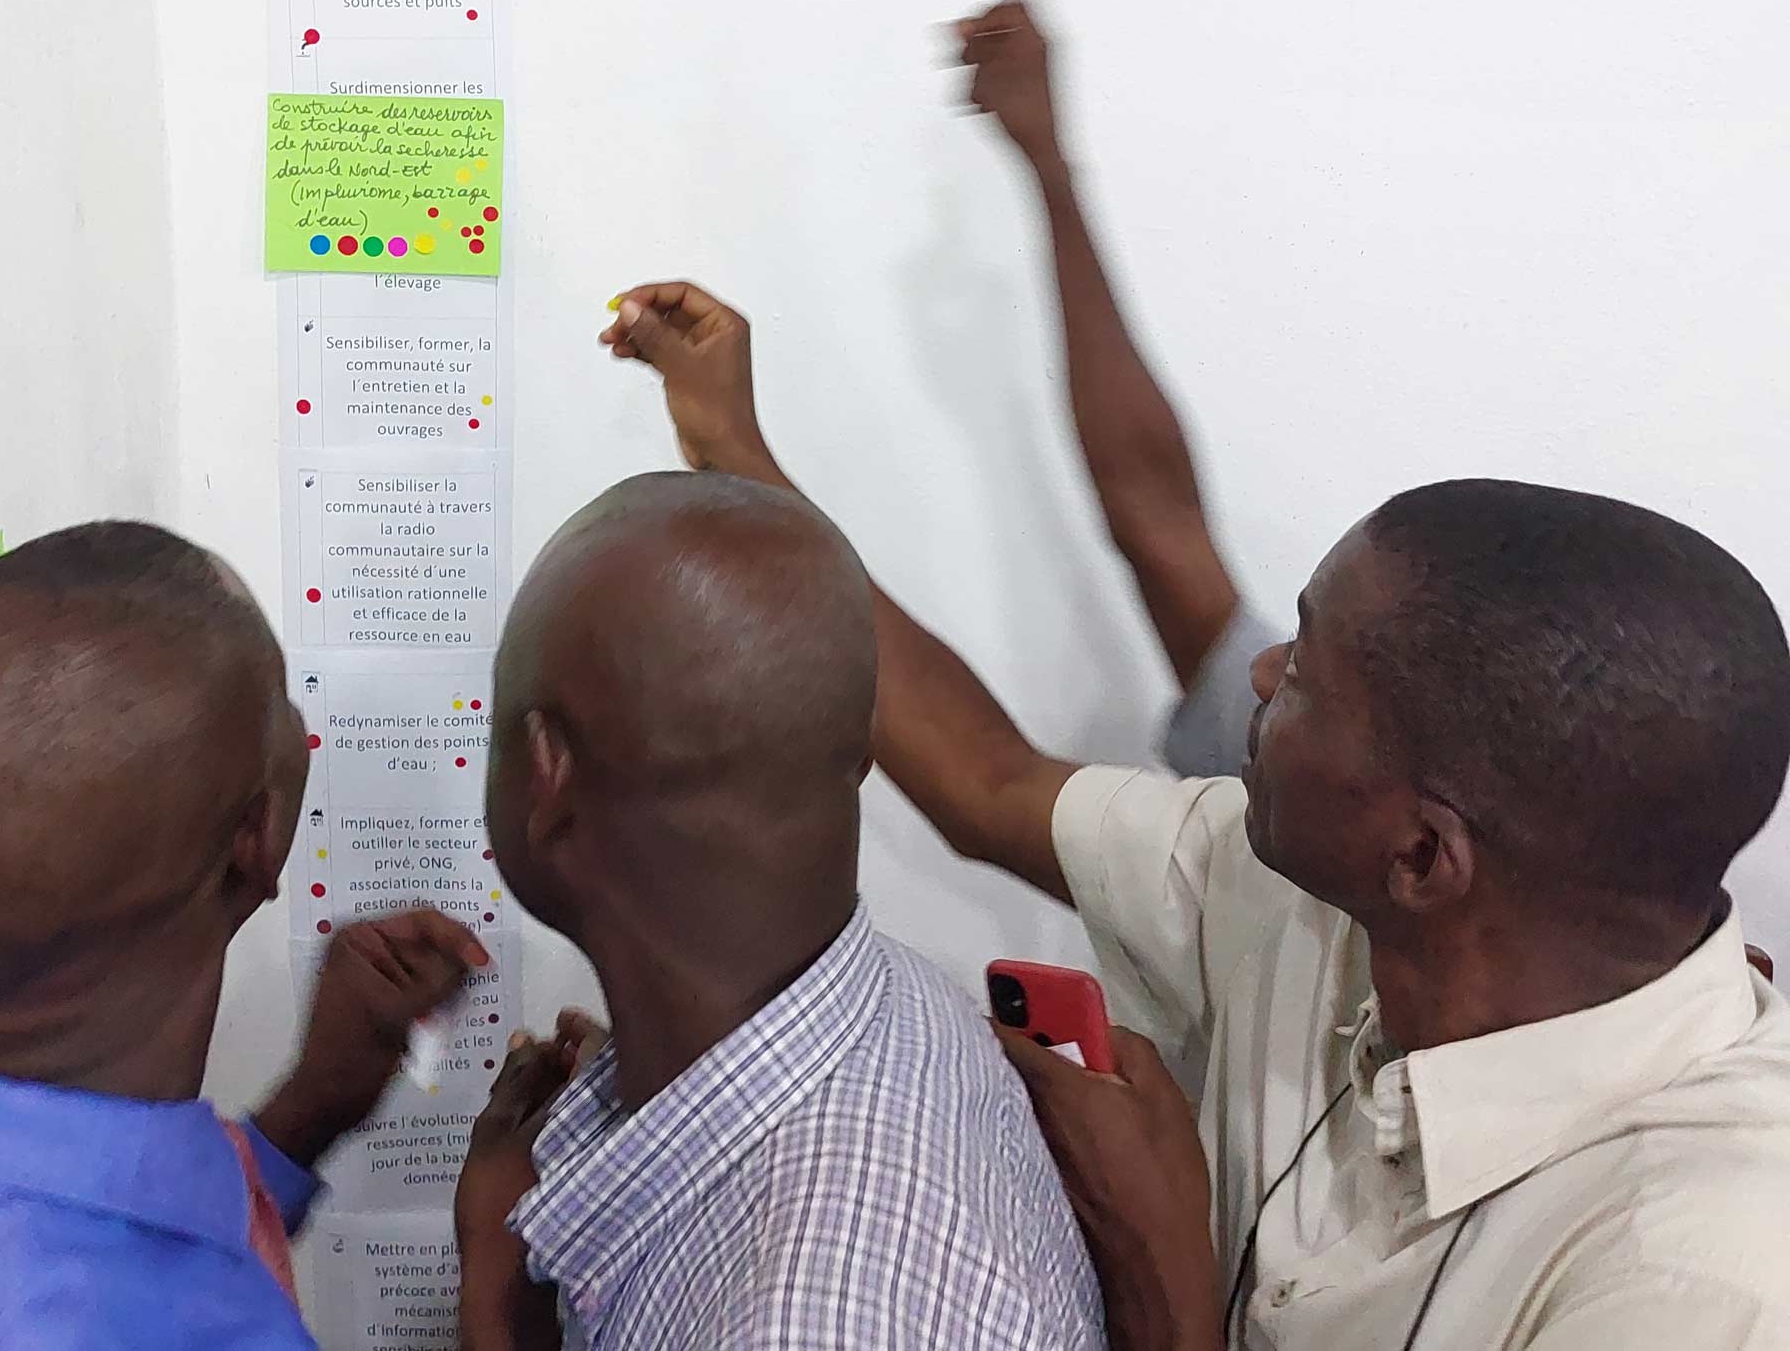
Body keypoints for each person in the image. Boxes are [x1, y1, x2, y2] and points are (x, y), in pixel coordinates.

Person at [605, 285, 1790, 1347]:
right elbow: (990, 785)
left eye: (1307, 671)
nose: (1260, 675)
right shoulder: (1310, 902)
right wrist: (731, 451)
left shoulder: (1697, 1274)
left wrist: (1160, 1276)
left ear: (1422, 857)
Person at [0, 520, 491, 1349]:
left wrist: (308, 1113)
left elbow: (89, 1219)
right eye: (282, 706)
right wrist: (499, 1296)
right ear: (258, 838)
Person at [453, 472, 1107, 1351]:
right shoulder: (910, 1009)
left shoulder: (802, 1319)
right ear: (855, 746)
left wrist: (493, 1318)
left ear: (546, 774)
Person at [951, 0, 1269, 779]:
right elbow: (1154, 517)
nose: (1267, 674)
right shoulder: (1352, 781)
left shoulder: (1330, 803)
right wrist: (1049, 168)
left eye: (1315, 667)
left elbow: (990, 802)